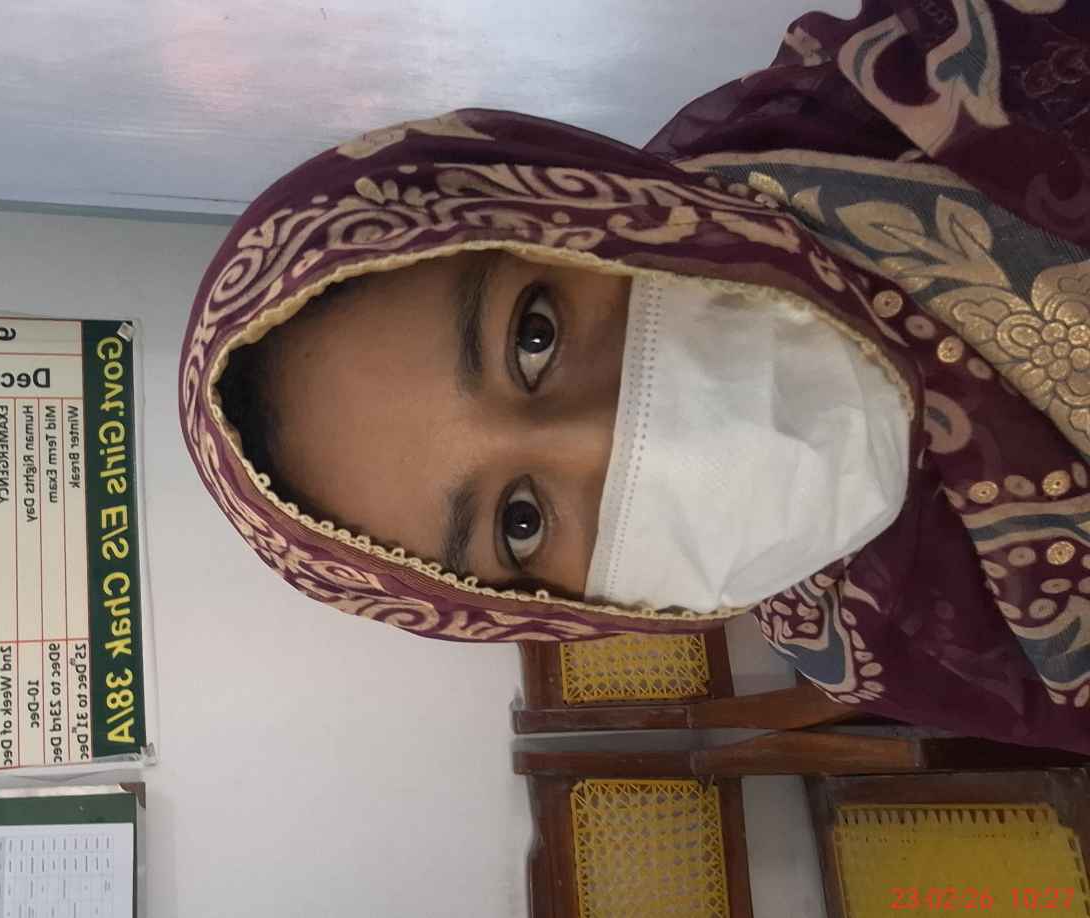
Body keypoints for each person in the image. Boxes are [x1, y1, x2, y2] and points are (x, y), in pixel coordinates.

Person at [178, 0, 1090, 753]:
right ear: (542, 609)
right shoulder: (876, 644)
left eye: (534, 335)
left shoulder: (965, 70)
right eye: (521, 523)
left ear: (565, 206)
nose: (609, 440)